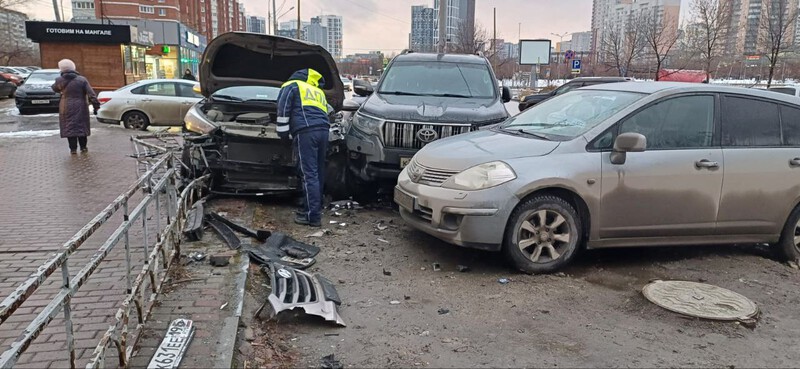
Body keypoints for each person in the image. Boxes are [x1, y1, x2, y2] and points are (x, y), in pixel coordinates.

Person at [276, 68, 330, 227]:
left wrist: (283, 135)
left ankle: (312, 217)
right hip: (323, 131)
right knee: (318, 172)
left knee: (308, 174)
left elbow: (283, 108)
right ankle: (314, 208)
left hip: (306, 131)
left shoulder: (292, 85)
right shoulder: (317, 90)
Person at [52, 59, 100, 154]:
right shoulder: (82, 80)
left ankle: (73, 149)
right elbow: (91, 94)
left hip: (65, 107)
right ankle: (83, 147)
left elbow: (54, 89)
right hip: (81, 105)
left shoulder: (59, 80)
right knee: (81, 126)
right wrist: (96, 106)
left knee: (69, 127)